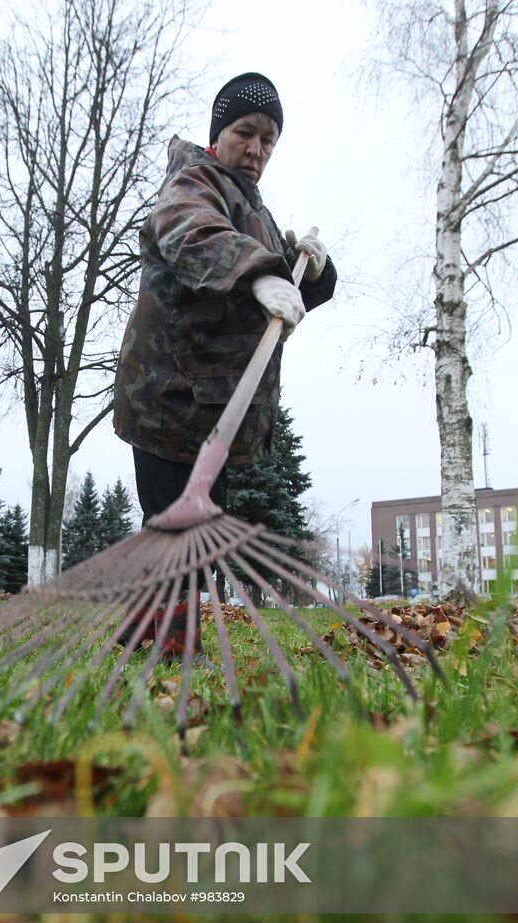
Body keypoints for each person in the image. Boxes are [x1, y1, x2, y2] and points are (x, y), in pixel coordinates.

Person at [113, 71, 337, 662]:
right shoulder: (193, 183)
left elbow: (279, 288)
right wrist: (260, 270)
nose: (257, 150)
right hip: (170, 394)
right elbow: (194, 236)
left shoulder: (253, 208)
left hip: (213, 406)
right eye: (245, 133)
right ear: (218, 133)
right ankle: (171, 647)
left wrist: (308, 272)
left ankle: (143, 630)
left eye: (269, 141)